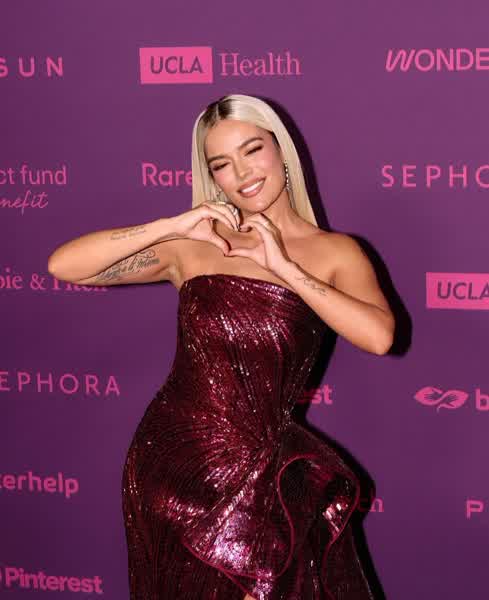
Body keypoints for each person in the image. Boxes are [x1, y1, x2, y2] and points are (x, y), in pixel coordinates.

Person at [47, 94, 394, 599]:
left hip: (265, 475)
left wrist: (285, 267)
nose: (243, 173)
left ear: (281, 150)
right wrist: (171, 226)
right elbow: (65, 265)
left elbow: (379, 337)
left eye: (252, 150)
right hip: (175, 467)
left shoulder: (335, 252)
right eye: (222, 164)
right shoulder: (195, 246)